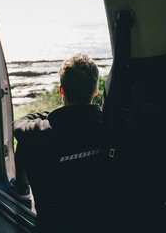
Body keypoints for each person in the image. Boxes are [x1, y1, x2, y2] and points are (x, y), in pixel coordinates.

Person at [11, 54, 112, 232]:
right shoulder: (111, 128)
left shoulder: (40, 132)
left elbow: (18, 126)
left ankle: (22, 192)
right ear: (96, 90)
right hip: (101, 221)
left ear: (62, 91)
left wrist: (46, 114)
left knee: (25, 144)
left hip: (54, 224)